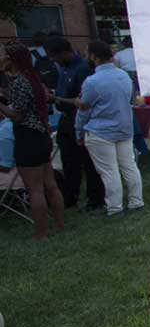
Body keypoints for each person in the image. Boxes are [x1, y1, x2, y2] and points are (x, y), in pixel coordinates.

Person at [0, 43, 65, 239]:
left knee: (34, 189)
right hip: (42, 135)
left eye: (3, 56)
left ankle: (41, 232)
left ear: (12, 60)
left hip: (27, 138)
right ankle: (60, 224)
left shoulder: (20, 82)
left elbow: (17, 116)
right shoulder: (33, 78)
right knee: (50, 184)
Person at [75, 40, 144, 216]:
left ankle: (115, 207)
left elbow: (84, 109)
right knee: (129, 166)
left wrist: (79, 130)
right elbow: (131, 100)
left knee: (109, 171)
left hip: (100, 131)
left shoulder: (92, 81)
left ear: (94, 57)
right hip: (124, 127)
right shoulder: (124, 76)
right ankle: (136, 201)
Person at [45, 37, 105, 211]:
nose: (53, 60)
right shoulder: (63, 69)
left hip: (79, 117)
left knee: (88, 161)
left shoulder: (83, 69)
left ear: (64, 53)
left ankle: (95, 198)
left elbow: (83, 101)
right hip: (65, 117)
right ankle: (70, 196)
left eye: (54, 56)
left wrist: (56, 98)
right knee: (68, 160)